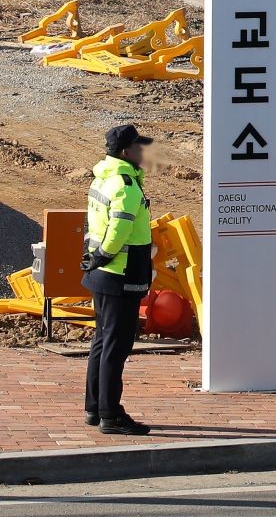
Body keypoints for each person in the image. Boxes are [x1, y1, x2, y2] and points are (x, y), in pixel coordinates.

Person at [82, 123, 154, 435]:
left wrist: (95, 259)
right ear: (126, 152)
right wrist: (105, 256)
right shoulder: (126, 185)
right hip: (120, 272)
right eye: (139, 146)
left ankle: (94, 408)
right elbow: (119, 228)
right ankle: (111, 415)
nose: (143, 151)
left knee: (102, 341)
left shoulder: (104, 176)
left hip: (102, 274)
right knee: (116, 345)